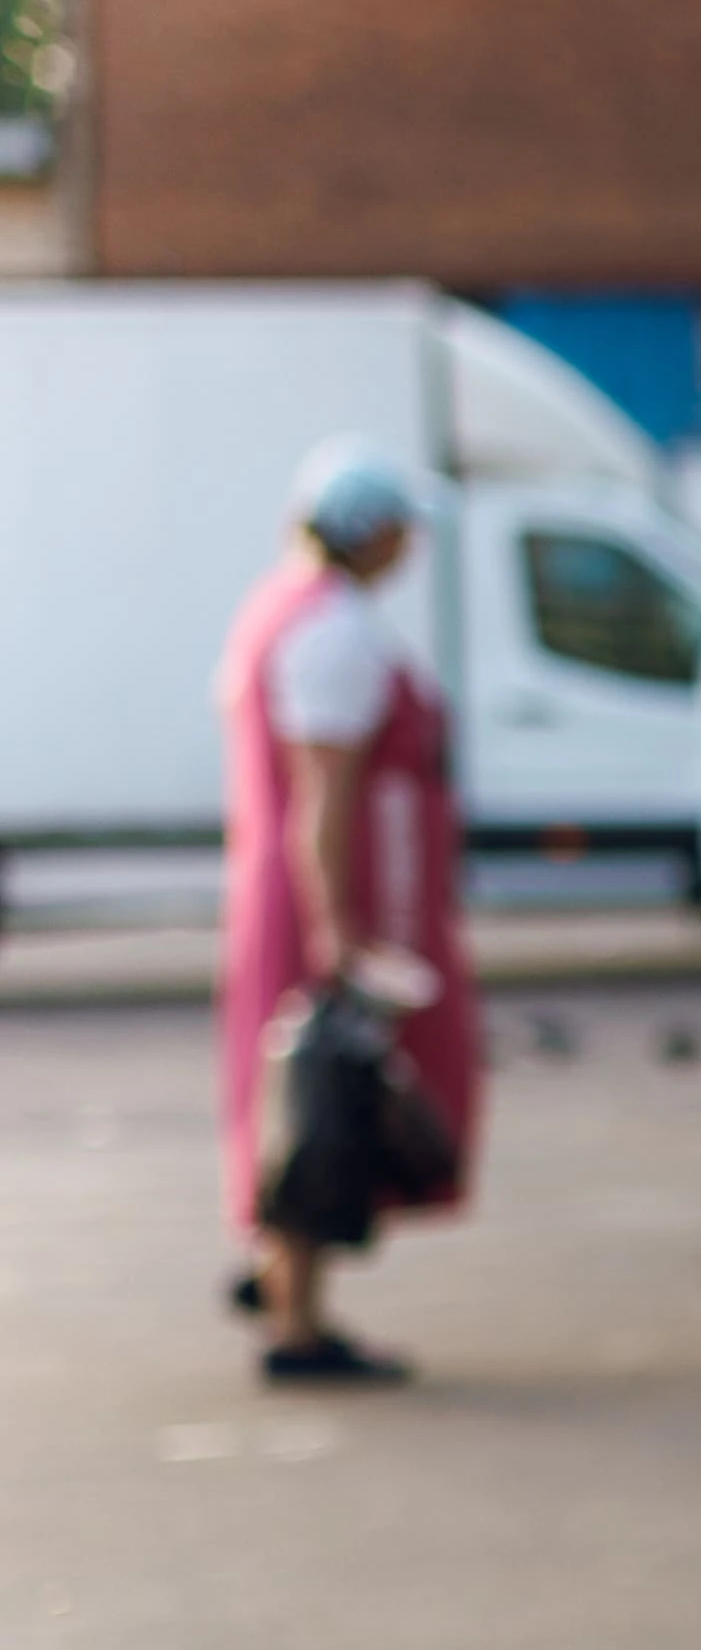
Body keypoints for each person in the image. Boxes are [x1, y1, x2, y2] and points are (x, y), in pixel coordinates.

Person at [213, 437, 484, 1386]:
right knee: (321, 1102)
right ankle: (297, 1318)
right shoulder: (333, 630)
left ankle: (278, 1278)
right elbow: (326, 791)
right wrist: (342, 933)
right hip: (330, 899)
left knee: (307, 1095)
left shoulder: (287, 608)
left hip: (300, 892)